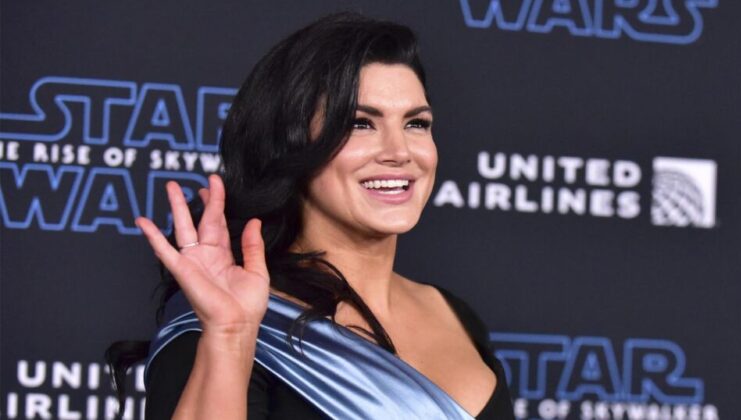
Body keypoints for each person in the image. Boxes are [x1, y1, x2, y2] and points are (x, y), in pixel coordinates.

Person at [113, 12, 514, 419]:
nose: (399, 152)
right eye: (360, 124)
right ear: (290, 144)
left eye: (416, 123)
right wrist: (229, 337)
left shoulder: (453, 313)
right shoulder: (230, 317)